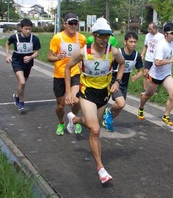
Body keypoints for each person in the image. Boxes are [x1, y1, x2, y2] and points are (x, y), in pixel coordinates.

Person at [64, 18, 125, 184]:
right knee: (96, 130)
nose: (104, 40)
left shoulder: (113, 51)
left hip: (103, 95)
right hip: (87, 93)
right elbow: (68, 68)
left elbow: (122, 64)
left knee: (93, 129)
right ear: (94, 35)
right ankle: (100, 168)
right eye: (101, 36)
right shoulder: (83, 52)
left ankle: (74, 119)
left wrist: (117, 81)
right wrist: (69, 91)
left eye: (107, 36)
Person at [47, 13, 86, 135]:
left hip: (74, 73)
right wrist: (57, 57)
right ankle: (61, 122)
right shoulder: (57, 38)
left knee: (76, 101)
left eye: (76, 23)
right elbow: (49, 57)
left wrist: (82, 63)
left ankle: (74, 120)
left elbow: (85, 55)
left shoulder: (82, 39)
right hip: (60, 74)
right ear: (65, 24)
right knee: (60, 105)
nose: (73, 26)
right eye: (71, 23)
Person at [137, 22, 173, 126]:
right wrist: (171, 61)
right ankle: (141, 107)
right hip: (155, 75)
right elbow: (157, 63)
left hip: (166, 74)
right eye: (172, 33)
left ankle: (165, 116)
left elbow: (172, 54)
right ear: (166, 33)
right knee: (148, 95)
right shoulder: (161, 45)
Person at [102, 31, 143, 131]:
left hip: (124, 84)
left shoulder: (137, 56)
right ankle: (108, 111)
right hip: (113, 81)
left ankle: (107, 120)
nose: (133, 44)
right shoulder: (118, 52)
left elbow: (141, 71)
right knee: (121, 103)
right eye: (131, 42)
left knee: (120, 106)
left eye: (135, 42)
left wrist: (137, 76)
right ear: (125, 42)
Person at [5, 18, 41, 110]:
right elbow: (7, 43)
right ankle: (21, 101)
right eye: (26, 29)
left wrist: (30, 57)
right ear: (21, 28)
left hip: (28, 63)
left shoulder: (34, 39)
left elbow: (37, 52)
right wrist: (7, 55)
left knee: (23, 84)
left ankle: (17, 96)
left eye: (30, 29)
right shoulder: (15, 37)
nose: (28, 31)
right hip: (17, 61)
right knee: (22, 81)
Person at [140, 22, 164, 92]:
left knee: (154, 75)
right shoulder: (147, 36)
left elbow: (163, 47)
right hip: (148, 57)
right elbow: (145, 46)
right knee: (145, 74)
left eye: (151, 29)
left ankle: (154, 89)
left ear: (155, 28)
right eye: (149, 29)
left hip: (156, 58)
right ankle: (145, 89)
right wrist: (142, 54)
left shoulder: (161, 36)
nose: (149, 31)